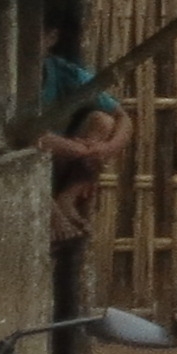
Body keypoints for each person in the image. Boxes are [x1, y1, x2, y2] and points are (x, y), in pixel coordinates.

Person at [35, 18, 128, 320]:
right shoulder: (11, 75)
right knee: (27, 149)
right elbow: (18, 137)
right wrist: (72, 148)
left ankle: (67, 197)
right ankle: (49, 205)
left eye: (36, 36)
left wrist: (106, 149)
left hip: (57, 161)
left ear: (52, 37)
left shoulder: (62, 71)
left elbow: (123, 118)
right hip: (35, 155)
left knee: (103, 122)